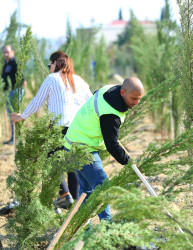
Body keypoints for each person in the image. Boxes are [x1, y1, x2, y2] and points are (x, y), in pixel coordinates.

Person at [11, 51, 92, 209]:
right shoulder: (79, 81)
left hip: (59, 127)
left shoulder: (52, 79)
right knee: (71, 165)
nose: (49, 68)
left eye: (50, 65)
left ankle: (64, 195)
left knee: (51, 161)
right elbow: (90, 103)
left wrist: (23, 116)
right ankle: (73, 204)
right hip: (77, 129)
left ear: (56, 63)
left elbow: (37, 100)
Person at [63, 77, 144, 221]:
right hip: (82, 149)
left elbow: (95, 94)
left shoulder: (108, 89)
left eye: (139, 99)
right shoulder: (110, 114)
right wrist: (128, 162)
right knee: (103, 186)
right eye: (133, 98)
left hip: (72, 143)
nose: (137, 103)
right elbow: (111, 144)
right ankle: (107, 226)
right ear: (123, 92)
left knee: (86, 191)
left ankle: (83, 227)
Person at [2, 45, 27, 145]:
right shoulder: (6, 64)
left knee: (17, 114)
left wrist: (23, 81)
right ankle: (13, 139)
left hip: (16, 91)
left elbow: (21, 74)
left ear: (12, 51)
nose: (6, 54)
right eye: (4, 52)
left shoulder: (15, 62)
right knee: (11, 116)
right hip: (9, 92)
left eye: (7, 52)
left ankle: (19, 139)